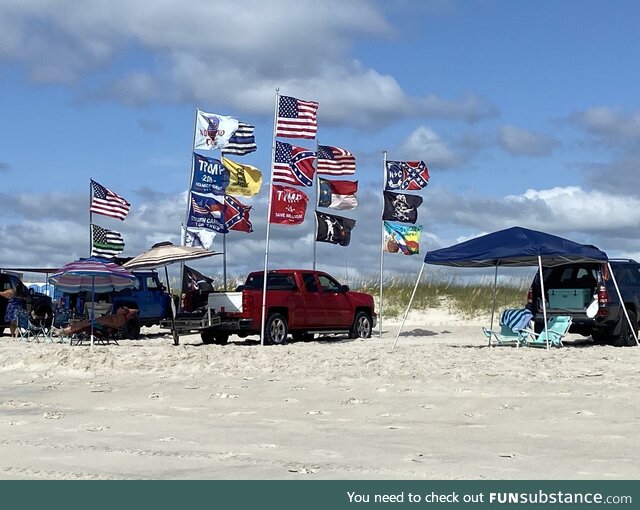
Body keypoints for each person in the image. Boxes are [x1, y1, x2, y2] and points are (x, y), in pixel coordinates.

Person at [57, 307, 135, 337]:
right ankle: (64, 331)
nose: (118, 309)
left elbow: (116, 326)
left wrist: (104, 323)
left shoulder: (121, 318)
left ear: (123, 311)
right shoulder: (117, 315)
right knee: (83, 322)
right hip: (98, 323)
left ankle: (66, 332)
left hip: (103, 327)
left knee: (84, 324)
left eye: (121, 308)